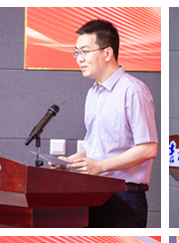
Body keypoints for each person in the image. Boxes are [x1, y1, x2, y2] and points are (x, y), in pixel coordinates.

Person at [51, 19, 158, 228]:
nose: (79, 59)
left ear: (107, 53)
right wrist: (69, 163)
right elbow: (95, 144)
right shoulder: (93, 93)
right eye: (76, 53)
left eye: (85, 52)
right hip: (92, 194)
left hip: (123, 198)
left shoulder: (133, 91)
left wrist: (101, 166)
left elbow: (148, 148)